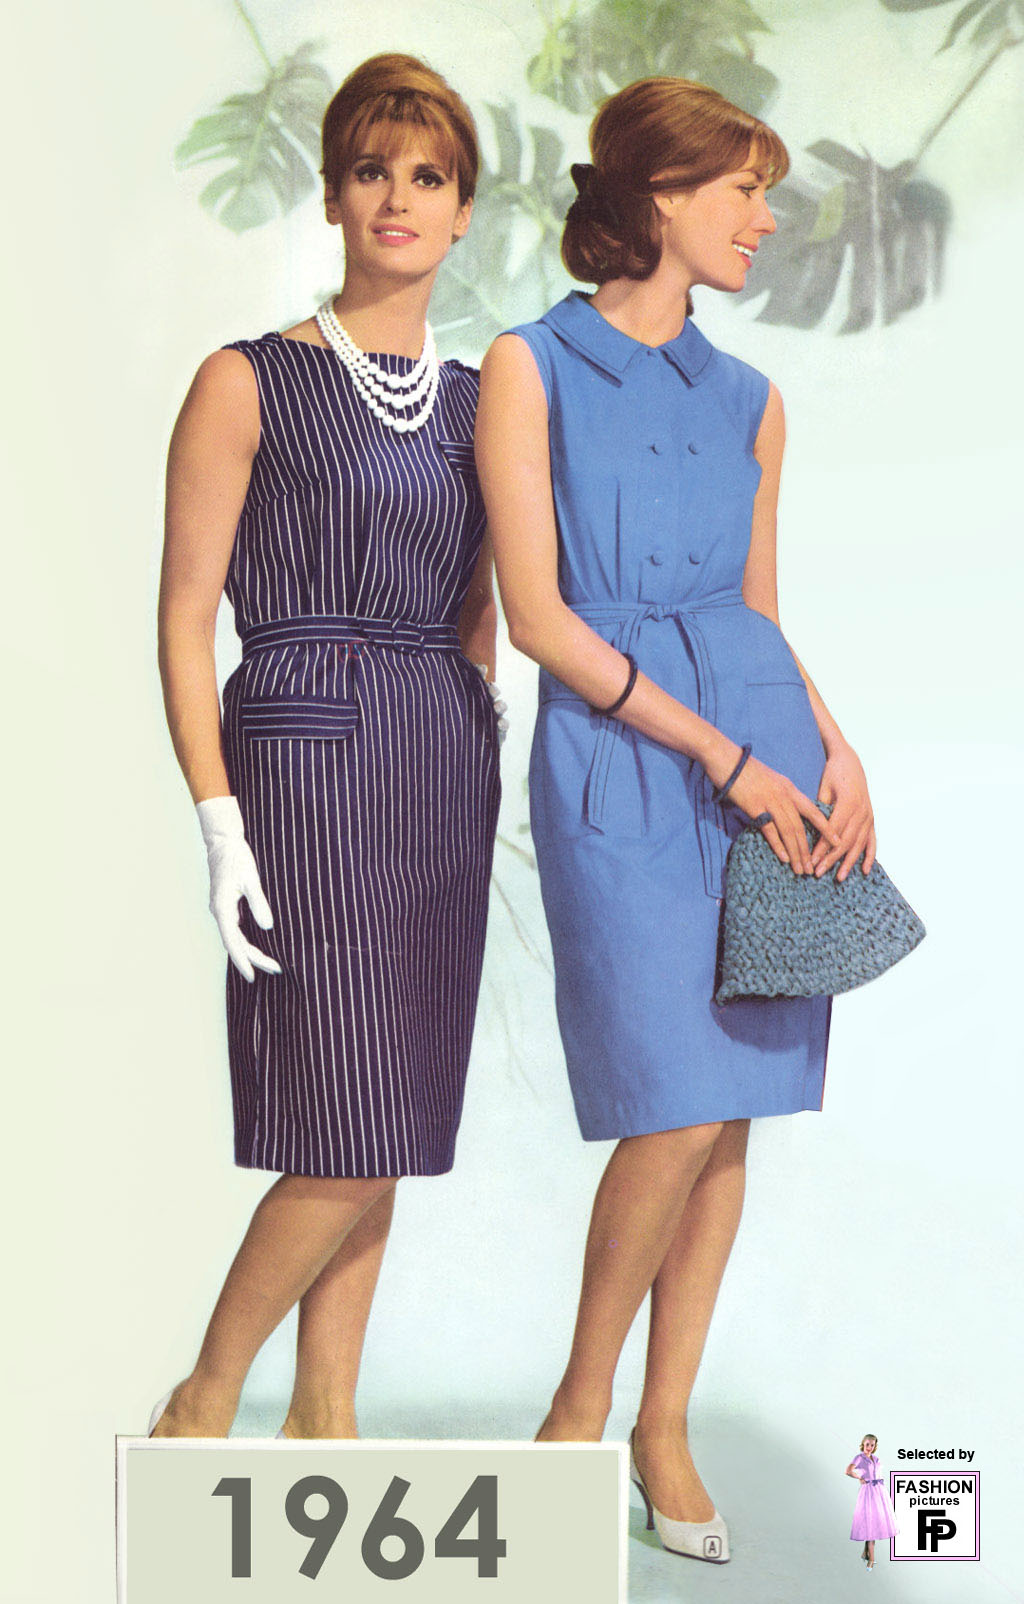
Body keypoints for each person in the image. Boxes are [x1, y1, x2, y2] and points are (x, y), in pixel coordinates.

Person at [475, 76, 874, 1563]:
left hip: (767, 749)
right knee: (673, 1104)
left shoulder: (755, 401)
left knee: (731, 1112)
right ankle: (574, 1420)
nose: (765, 219)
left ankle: (664, 1425)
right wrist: (724, 755)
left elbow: (757, 609)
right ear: (656, 197)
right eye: (740, 190)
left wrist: (835, 746)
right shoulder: (529, 365)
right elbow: (539, 619)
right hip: (624, 761)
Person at [152, 52, 502, 1439]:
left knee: (394, 1103)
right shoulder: (244, 381)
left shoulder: (479, 403)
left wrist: (475, 739)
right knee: (344, 1105)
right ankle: (207, 1391)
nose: (398, 197)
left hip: (438, 762)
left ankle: (327, 1412)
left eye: (427, 176)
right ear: (334, 195)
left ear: (463, 210)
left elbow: (480, 610)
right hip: (304, 755)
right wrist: (219, 820)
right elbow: (185, 617)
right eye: (372, 170)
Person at [846, 1435, 898, 1567]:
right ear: (863, 1444)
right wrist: (859, 1478)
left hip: (879, 1491)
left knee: (875, 1522)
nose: (869, 1447)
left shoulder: (876, 1459)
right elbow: (848, 1471)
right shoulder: (859, 1458)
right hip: (868, 1492)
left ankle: (865, 1553)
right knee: (870, 1522)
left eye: (872, 1445)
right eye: (867, 1444)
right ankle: (871, 1559)